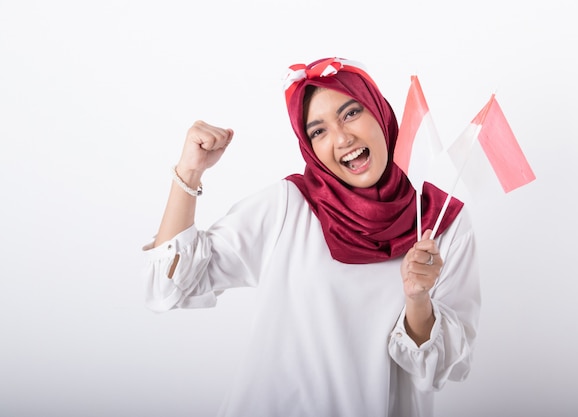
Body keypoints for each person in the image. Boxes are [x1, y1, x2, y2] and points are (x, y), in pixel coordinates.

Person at [143, 57, 481, 417]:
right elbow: (169, 288)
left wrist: (417, 299)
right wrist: (190, 171)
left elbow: (443, 369)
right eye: (318, 131)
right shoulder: (289, 206)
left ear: (381, 114)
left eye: (351, 113)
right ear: (309, 147)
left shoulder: (440, 223)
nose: (342, 138)